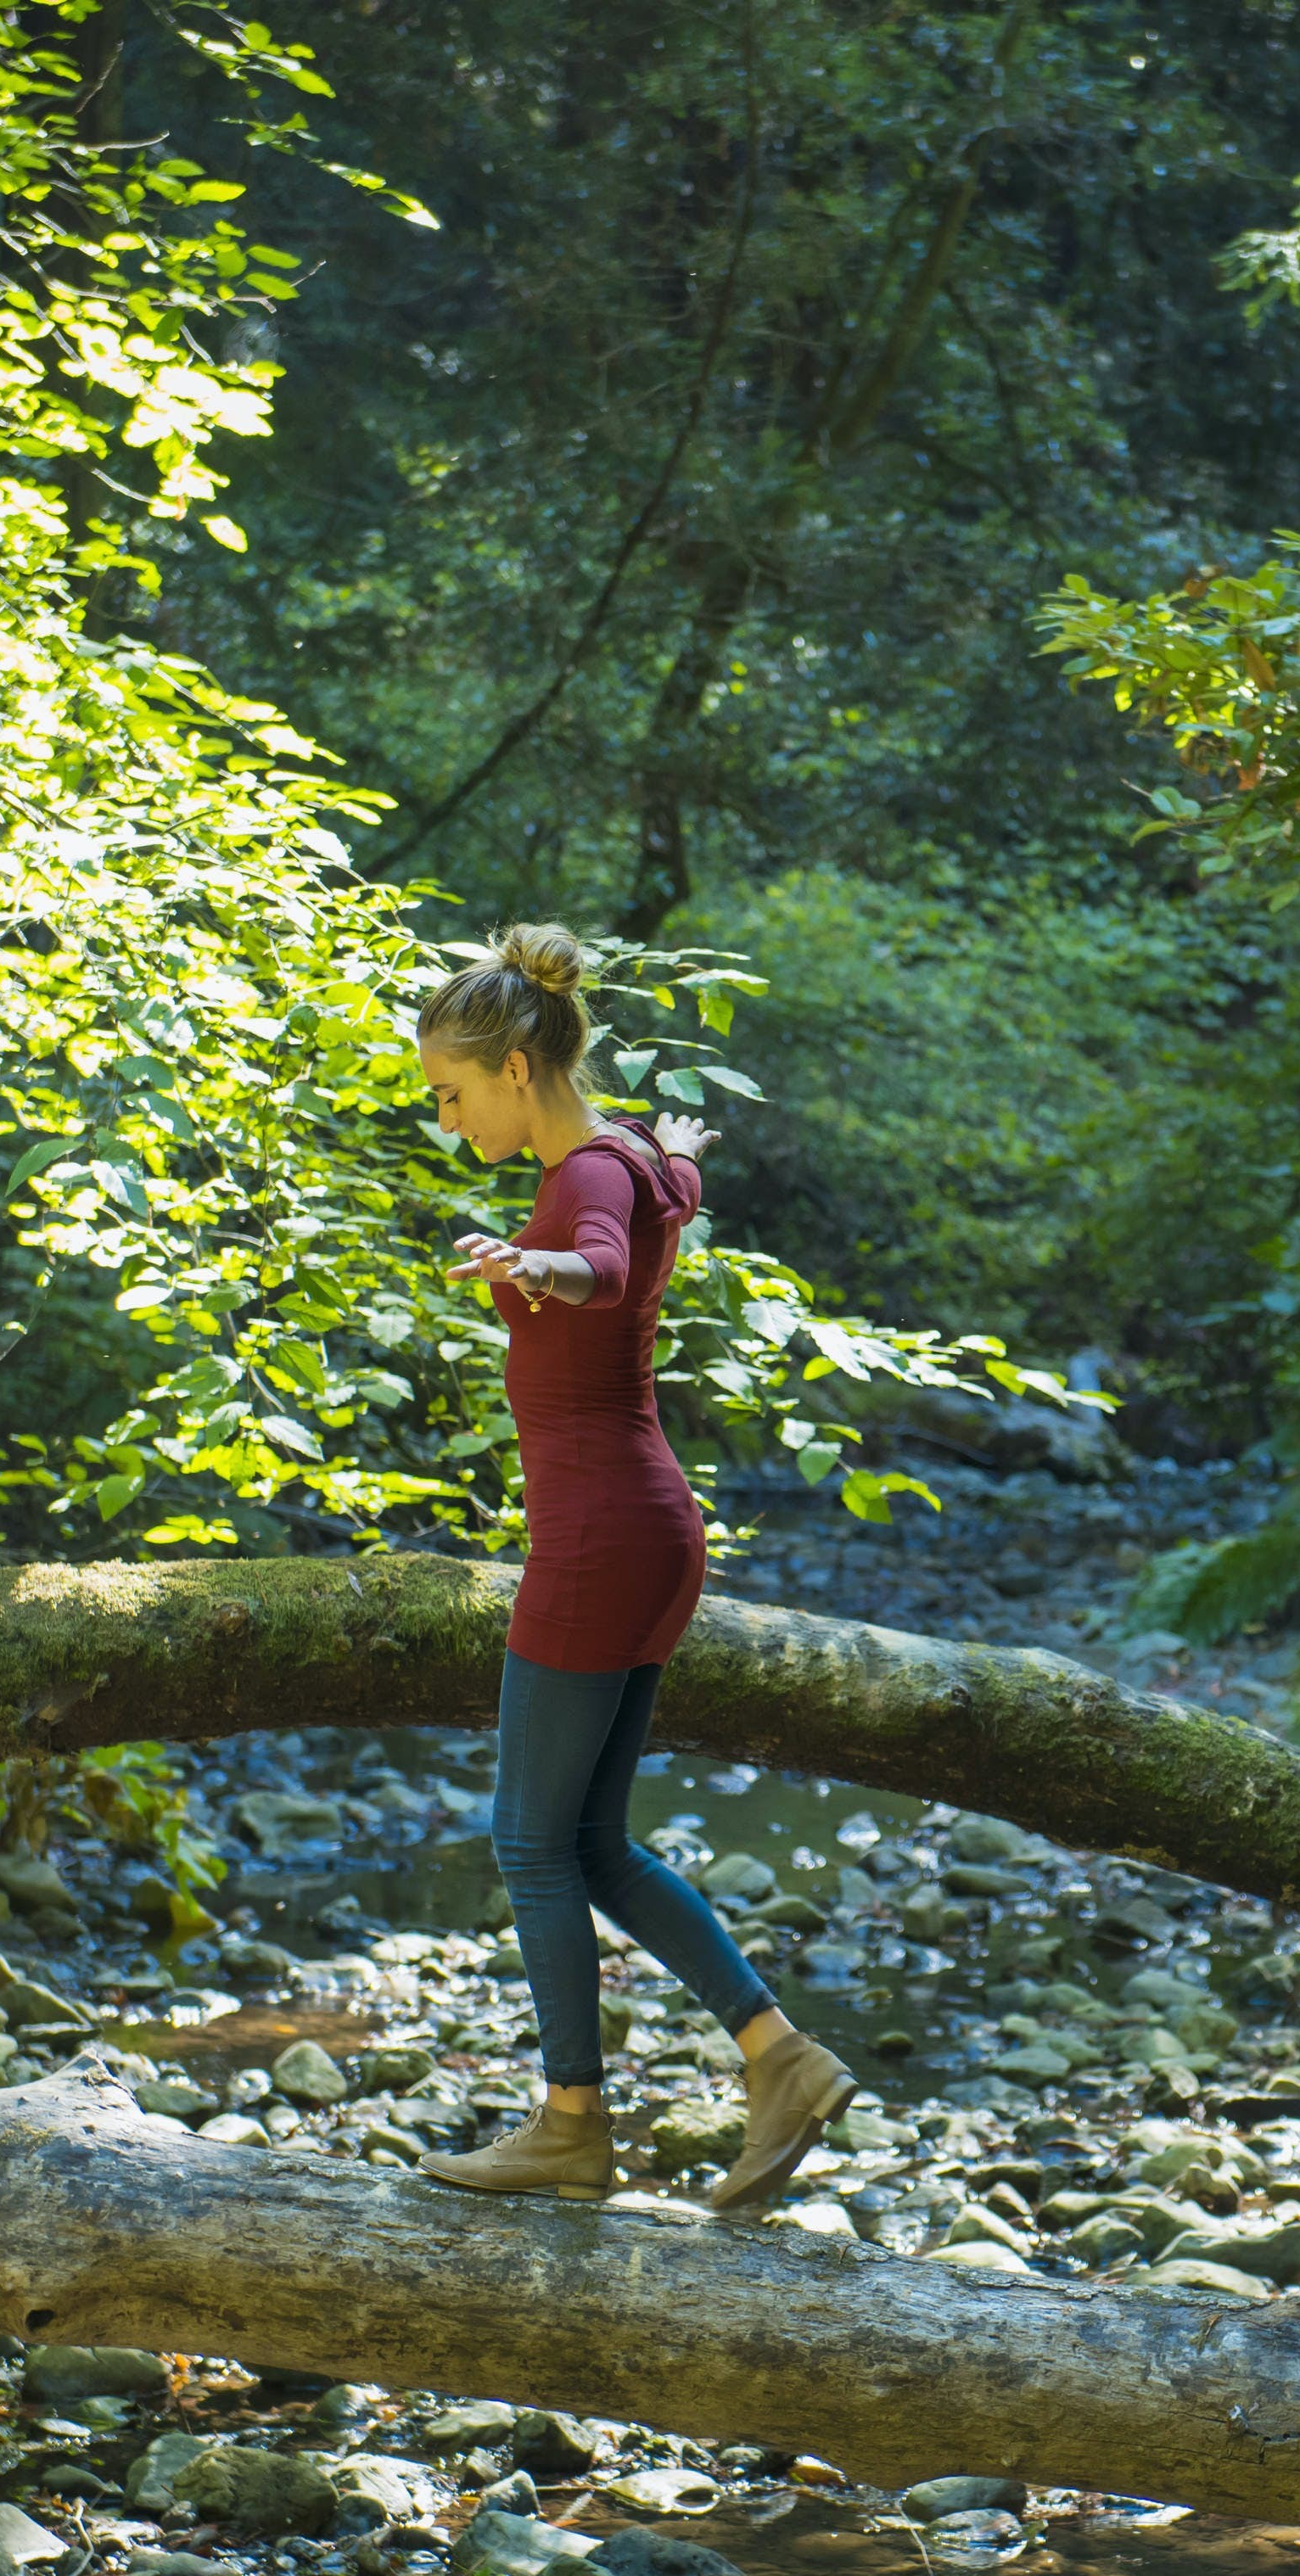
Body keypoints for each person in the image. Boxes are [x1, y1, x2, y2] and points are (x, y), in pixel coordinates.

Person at [404, 924, 857, 2214]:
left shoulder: (582, 1181)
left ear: (518, 1072)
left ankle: (570, 2125)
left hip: (601, 1540)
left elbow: (599, 1267)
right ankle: (781, 2057)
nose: (446, 1120)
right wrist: (686, 1157)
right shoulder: (640, 1160)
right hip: (651, 1533)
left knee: (530, 1843)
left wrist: (532, 1261)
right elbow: (671, 1196)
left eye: (452, 1092)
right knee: (593, 1840)